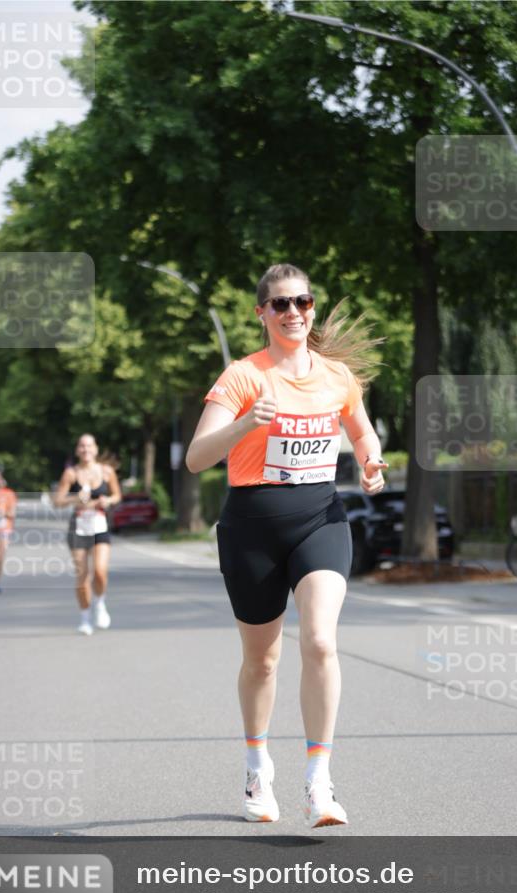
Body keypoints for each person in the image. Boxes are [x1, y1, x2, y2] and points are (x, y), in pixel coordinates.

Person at [186, 263, 387, 828]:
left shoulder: (337, 376)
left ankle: (319, 783)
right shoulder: (243, 377)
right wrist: (244, 424)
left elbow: (362, 429)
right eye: (280, 304)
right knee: (263, 659)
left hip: (321, 517)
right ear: (262, 314)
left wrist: (371, 461)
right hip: (252, 525)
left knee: (321, 642)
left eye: (302, 301)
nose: (293, 312)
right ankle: (257, 768)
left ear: (312, 307)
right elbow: (198, 457)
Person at [54, 434, 122, 635]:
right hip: (78, 526)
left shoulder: (107, 471)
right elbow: (57, 501)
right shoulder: (71, 474)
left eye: (89, 445)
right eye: (82, 446)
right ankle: (85, 618)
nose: (86, 449)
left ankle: (100, 603)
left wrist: (107, 501)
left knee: (100, 572)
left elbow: (117, 495)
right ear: (77, 450)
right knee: (82, 576)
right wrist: (75, 497)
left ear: (96, 449)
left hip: (99, 525)